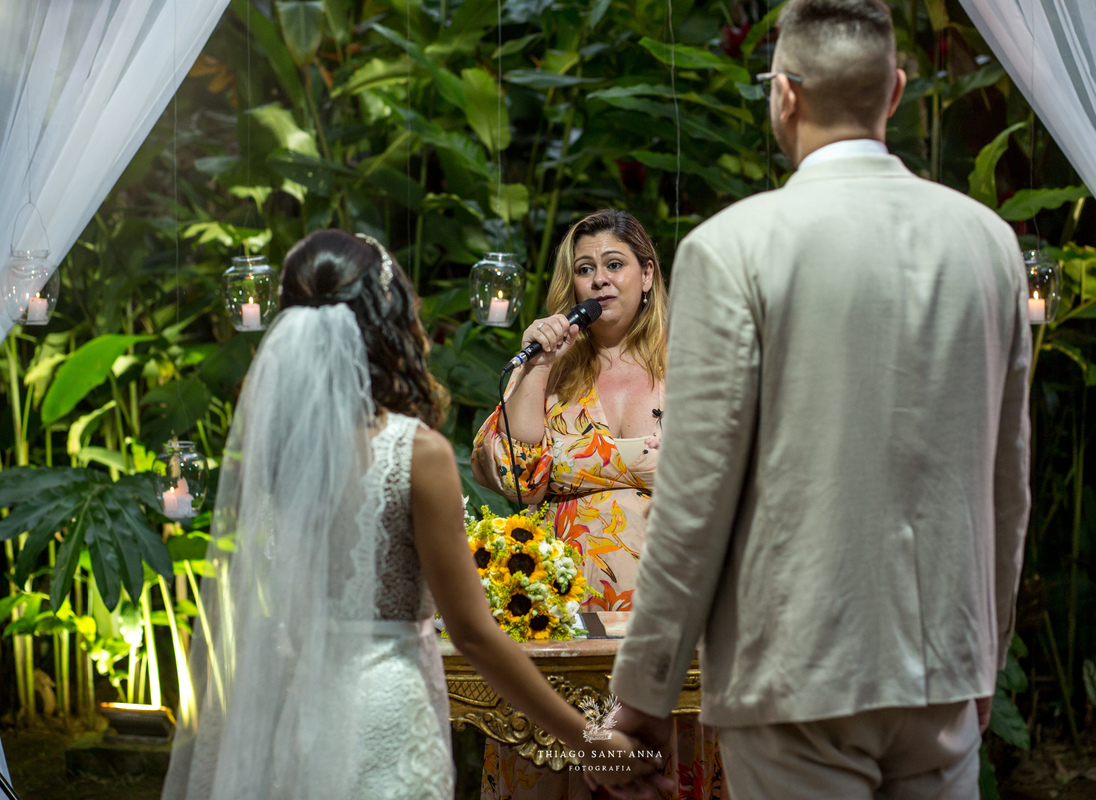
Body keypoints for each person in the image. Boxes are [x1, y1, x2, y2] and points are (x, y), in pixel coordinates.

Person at [606, 1, 1032, 798]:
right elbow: (1008, 481)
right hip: (942, 670)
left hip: (793, 670)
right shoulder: (989, 244)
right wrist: (985, 658)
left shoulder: (733, 249)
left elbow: (695, 495)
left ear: (784, 96)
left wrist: (645, 691)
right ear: (895, 93)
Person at [159, 229, 657, 800]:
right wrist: (588, 738)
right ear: (389, 321)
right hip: (387, 715)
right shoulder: (414, 453)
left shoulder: (279, 454)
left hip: (302, 711)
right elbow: (473, 634)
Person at [472, 210, 722, 798]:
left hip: (669, 623)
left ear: (646, 275)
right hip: (562, 620)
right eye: (585, 269)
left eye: (615, 265)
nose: (600, 280)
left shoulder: (690, 365)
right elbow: (513, 472)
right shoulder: (555, 376)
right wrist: (537, 365)